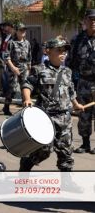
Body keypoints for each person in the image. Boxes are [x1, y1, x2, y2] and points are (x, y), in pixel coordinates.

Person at [20, 37, 84, 174]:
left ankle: (67, 181)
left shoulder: (67, 71)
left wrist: (76, 104)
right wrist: (27, 98)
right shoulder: (39, 69)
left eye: (65, 51)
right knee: (44, 150)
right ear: (48, 52)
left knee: (66, 151)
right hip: (45, 118)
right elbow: (27, 84)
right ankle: (26, 163)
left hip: (64, 118)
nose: (63, 54)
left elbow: (71, 91)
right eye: (59, 50)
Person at [66, 9, 95, 154]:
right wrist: (69, 83)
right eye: (90, 19)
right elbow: (70, 63)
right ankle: (85, 144)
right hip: (83, 82)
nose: (93, 22)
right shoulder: (77, 40)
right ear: (85, 21)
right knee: (83, 115)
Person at [2, 22, 32, 115]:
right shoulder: (11, 43)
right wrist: (13, 68)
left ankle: (25, 109)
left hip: (24, 68)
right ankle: (6, 106)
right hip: (14, 68)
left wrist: (29, 68)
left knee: (25, 87)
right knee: (12, 89)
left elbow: (29, 58)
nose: (23, 32)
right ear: (17, 31)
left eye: (24, 30)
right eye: (21, 30)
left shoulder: (27, 43)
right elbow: (7, 57)